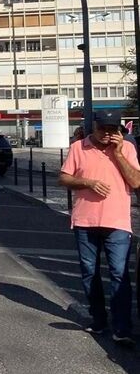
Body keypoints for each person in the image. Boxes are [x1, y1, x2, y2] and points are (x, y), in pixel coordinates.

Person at [58, 110, 140, 345]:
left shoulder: (127, 149)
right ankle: (98, 319)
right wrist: (87, 182)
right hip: (85, 221)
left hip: (117, 223)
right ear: (93, 126)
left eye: (113, 129)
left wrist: (119, 153)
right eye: (103, 128)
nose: (107, 133)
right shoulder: (78, 148)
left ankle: (122, 328)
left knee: (119, 273)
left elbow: (135, 182)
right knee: (89, 273)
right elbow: (63, 178)